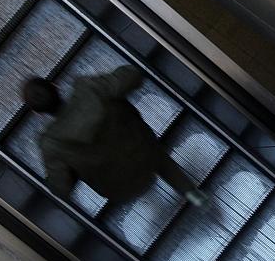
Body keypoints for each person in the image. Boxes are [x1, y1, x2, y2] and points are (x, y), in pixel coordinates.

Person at [23, 66, 208, 207]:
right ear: (55, 86)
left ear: (37, 113)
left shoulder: (52, 144)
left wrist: (72, 168)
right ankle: (192, 194)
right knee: (156, 157)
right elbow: (133, 75)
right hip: (144, 150)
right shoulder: (89, 90)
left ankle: (148, 212)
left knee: (126, 170)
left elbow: (60, 189)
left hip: (121, 188)